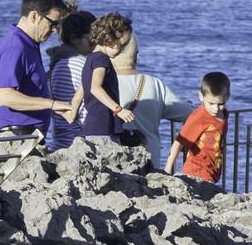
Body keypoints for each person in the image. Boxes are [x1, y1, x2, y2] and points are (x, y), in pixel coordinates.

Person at [0, 0, 71, 138]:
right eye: (53, 23)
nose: (55, 30)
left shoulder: (28, 44)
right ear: (34, 16)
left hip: (26, 135)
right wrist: (51, 104)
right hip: (16, 136)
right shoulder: (15, 46)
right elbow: (4, 96)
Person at [113, 33, 195, 167]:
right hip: (149, 161)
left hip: (116, 160)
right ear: (136, 54)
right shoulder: (153, 83)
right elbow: (186, 112)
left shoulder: (104, 85)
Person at [72, 12, 137, 143]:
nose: (123, 50)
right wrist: (118, 110)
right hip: (103, 128)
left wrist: (72, 113)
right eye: (122, 45)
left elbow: (83, 91)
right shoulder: (102, 59)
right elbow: (95, 88)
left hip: (94, 127)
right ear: (111, 39)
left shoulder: (91, 58)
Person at [165, 71, 230, 183]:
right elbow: (179, 142)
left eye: (220, 104)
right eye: (211, 104)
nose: (216, 109)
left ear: (227, 97)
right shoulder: (199, 118)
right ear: (201, 96)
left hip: (213, 169)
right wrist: (168, 168)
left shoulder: (224, 114)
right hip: (197, 171)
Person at [45, 10, 95, 150]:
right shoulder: (76, 64)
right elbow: (83, 113)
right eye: (92, 40)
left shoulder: (59, 63)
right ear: (74, 38)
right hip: (76, 146)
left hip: (64, 143)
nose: (97, 44)